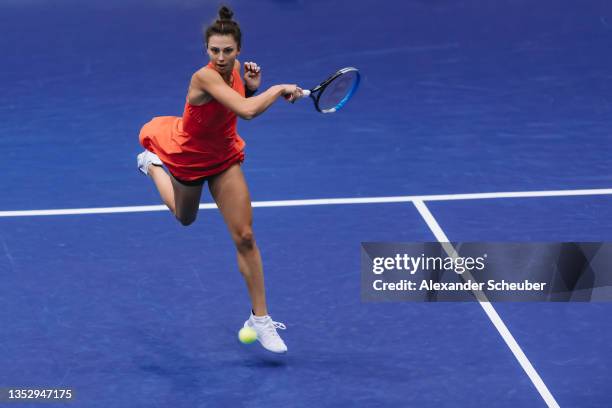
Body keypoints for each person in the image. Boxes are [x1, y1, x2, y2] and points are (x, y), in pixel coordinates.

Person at [136, 5, 302, 354]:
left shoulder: (237, 69)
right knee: (185, 218)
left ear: (238, 49)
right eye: (215, 51)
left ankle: (260, 319)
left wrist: (253, 87)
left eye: (228, 50)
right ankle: (152, 164)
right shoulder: (204, 77)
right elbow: (247, 112)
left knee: (245, 236)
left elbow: (239, 102)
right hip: (190, 156)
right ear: (206, 51)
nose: (222, 57)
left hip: (224, 156)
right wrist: (277, 89)